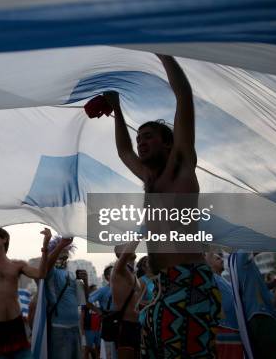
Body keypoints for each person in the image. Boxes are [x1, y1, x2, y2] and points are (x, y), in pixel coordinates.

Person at [103, 54, 220, 358]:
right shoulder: (150, 181)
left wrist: (163, 51)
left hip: (190, 281)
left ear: (169, 144)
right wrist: (116, 108)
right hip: (161, 288)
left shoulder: (180, 168)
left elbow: (183, 96)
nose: (140, 142)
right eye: (139, 137)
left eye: (149, 137)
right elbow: (123, 151)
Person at [0, 227, 51, 359]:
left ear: (4, 239)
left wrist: (45, 246)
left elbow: (41, 274)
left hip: (15, 326)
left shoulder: (17, 265)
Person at [231, 251, 276, 359]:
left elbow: (259, 288)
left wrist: (275, 282)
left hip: (258, 315)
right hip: (261, 316)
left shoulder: (241, 262)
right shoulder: (241, 256)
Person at [44, 236, 85, 359]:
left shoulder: (71, 274)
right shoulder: (52, 273)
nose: (63, 258)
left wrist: (85, 283)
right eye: (60, 254)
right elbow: (47, 266)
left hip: (75, 327)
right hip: (59, 329)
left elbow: (82, 301)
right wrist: (60, 245)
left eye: (66, 255)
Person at [205, 252, 243, 359]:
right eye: (217, 259)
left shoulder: (227, 282)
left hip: (236, 329)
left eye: (221, 258)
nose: (222, 260)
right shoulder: (211, 277)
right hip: (224, 331)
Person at [111, 244, 141, 359]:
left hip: (136, 325)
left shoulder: (131, 272)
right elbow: (127, 252)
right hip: (125, 325)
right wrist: (139, 234)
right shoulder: (119, 268)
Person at [89, 266, 117, 359]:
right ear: (108, 277)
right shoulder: (103, 290)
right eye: (114, 272)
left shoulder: (123, 288)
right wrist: (99, 311)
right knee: (109, 351)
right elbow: (87, 301)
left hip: (121, 323)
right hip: (109, 324)